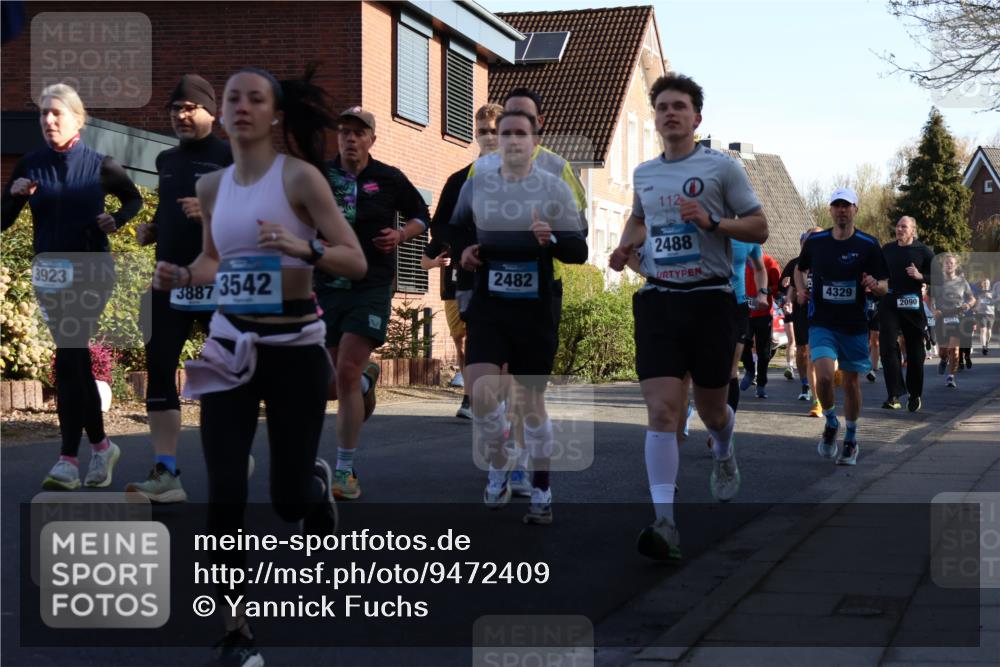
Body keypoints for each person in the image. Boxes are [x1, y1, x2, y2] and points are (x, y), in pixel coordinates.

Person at [151, 67, 366, 665]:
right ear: (221, 113)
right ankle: (236, 626)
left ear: (275, 115)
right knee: (223, 488)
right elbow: (215, 261)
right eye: (233, 98)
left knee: (287, 499)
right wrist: (182, 274)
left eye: (256, 99)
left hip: (294, 347)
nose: (242, 107)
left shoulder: (299, 178)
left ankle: (313, 487)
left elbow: (354, 260)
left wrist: (305, 248)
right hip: (228, 347)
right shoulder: (216, 187)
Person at [609, 73, 767, 561]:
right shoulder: (644, 174)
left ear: (697, 118)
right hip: (659, 299)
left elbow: (759, 226)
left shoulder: (722, 169)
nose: (669, 113)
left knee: (713, 408)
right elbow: (639, 217)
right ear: (655, 118)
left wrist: (713, 222)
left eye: (679, 106)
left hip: (711, 301)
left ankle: (723, 449)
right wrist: (625, 244)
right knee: (661, 412)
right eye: (662, 107)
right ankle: (664, 521)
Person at [2, 83, 142, 489]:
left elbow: (132, 200)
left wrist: (116, 219)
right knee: (72, 359)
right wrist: (12, 198)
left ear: (78, 119)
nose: (48, 120)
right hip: (49, 273)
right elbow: (3, 220)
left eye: (56, 113)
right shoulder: (30, 165)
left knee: (69, 355)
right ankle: (100, 447)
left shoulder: (101, 165)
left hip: (91, 269)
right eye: (43, 113)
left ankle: (67, 460)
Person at [450, 109, 587, 525]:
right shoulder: (477, 185)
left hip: (534, 309)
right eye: (504, 133)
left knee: (530, 404)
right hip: (490, 304)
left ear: (534, 140)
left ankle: (541, 489)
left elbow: (578, 251)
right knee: (481, 393)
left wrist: (553, 238)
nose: (510, 141)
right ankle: (501, 458)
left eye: (519, 134)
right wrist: (464, 251)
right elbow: (453, 228)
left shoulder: (552, 187)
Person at [125, 75, 233, 502]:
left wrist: (211, 213)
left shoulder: (232, 157)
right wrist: (153, 229)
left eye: (190, 107)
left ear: (212, 111)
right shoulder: (166, 160)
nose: (181, 115)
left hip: (215, 281)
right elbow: (172, 211)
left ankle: (230, 450)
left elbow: (255, 219)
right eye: (175, 108)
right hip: (168, 280)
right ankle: (166, 472)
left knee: (225, 374)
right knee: (159, 368)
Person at [316, 106, 431, 500]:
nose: (349, 138)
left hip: (371, 284)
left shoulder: (389, 178)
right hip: (326, 284)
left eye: (358, 133)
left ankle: (345, 471)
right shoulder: (320, 175)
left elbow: (422, 215)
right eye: (343, 131)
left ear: (371, 140)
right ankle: (368, 378)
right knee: (333, 384)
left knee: (346, 369)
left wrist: (401, 236)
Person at [795, 187, 889, 466]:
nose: (841, 210)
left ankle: (851, 438)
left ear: (855, 210)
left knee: (850, 382)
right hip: (822, 321)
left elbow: (885, 284)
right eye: (836, 205)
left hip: (854, 324)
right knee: (823, 376)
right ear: (830, 210)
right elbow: (800, 269)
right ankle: (831, 421)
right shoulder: (816, 242)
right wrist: (800, 291)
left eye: (846, 205)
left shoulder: (868, 244)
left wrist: (875, 285)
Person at [421, 103, 504, 421]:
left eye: (495, 131)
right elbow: (438, 225)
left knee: (501, 340)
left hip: (507, 275)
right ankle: (472, 396)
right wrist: (464, 245)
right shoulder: (459, 180)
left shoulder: (523, 177)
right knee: (467, 339)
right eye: (483, 132)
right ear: (476, 134)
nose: (490, 137)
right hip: (468, 275)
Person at [878, 215, 934, 412]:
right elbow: (877, 271)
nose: (899, 229)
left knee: (915, 350)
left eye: (904, 226)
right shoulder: (887, 249)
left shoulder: (923, 251)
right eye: (898, 226)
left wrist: (921, 276)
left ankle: (915, 393)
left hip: (911, 301)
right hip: (890, 300)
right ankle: (894, 394)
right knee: (886, 345)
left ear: (913, 230)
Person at [782, 228, 824, 416]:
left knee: (823, 352)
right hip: (804, 310)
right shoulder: (797, 263)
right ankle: (808, 387)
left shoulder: (830, 256)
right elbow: (792, 285)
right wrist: (790, 300)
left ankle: (831, 373)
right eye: (809, 238)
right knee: (804, 350)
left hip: (827, 311)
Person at [930, 254, 975, 388]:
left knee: (954, 349)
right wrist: (933, 311)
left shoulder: (962, 282)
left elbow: (972, 298)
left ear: (955, 266)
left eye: (951, 263)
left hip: (957, 316)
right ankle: (943, 359)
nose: (949, 265)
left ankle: (951, 377)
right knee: (943, 351)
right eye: (946, 263)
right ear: (942, 266)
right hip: (941, 316)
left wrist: (968, 305)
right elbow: (930, 300)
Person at [740, 251, 780, 398]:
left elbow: (778, 287)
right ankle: (750, 369)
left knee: (764, 352)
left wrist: (765, 292)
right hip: (744, 313)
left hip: (763, 314)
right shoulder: (739, 258)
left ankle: (761, 384)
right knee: (742, 343)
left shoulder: (770, 262)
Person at [975, 277, 995, 355]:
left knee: (989, 332)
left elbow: (996, 302)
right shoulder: (978, 293)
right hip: (981, 314)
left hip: (990, 314)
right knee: (983, 330)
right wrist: (976, 309)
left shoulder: (993, 292)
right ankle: (983, 347)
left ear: (989, 284)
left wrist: (991, 297)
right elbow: (976, 303)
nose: (986, 284)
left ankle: (986, 343)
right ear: (982, 284)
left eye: (987, 283)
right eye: (984, 283)